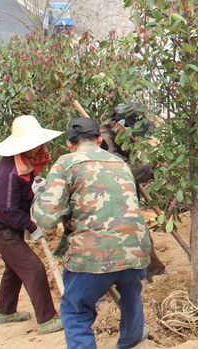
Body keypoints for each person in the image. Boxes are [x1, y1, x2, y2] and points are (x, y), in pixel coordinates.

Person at [32, 117, 151, 349]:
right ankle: (132, 340)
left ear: (69, 143)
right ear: (98, 139)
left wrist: (40, 194)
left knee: (75, 311)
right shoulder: (120, 163)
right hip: (134, 250)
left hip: (91, 255)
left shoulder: (65, 164)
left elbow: (46, 218)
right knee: (131, 296)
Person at [0, 115, 64, 335]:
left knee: (14, 267)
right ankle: (47, 319)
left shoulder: (25, 162)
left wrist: (36, 188)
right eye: (34, 144)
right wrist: (31, 227)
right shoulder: (8, 173)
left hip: (11, 223)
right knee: (32, 267)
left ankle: (4, 311)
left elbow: (22, 195)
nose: (39, 148)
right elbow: (8, 209)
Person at [100, 102, 166, 279]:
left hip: (125, 191)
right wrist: (150, 169)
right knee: (128, 233)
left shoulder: (123, 135)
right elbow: (120, 170)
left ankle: (152, 270)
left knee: (138, 231)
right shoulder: (105, 139)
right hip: (107, 195)